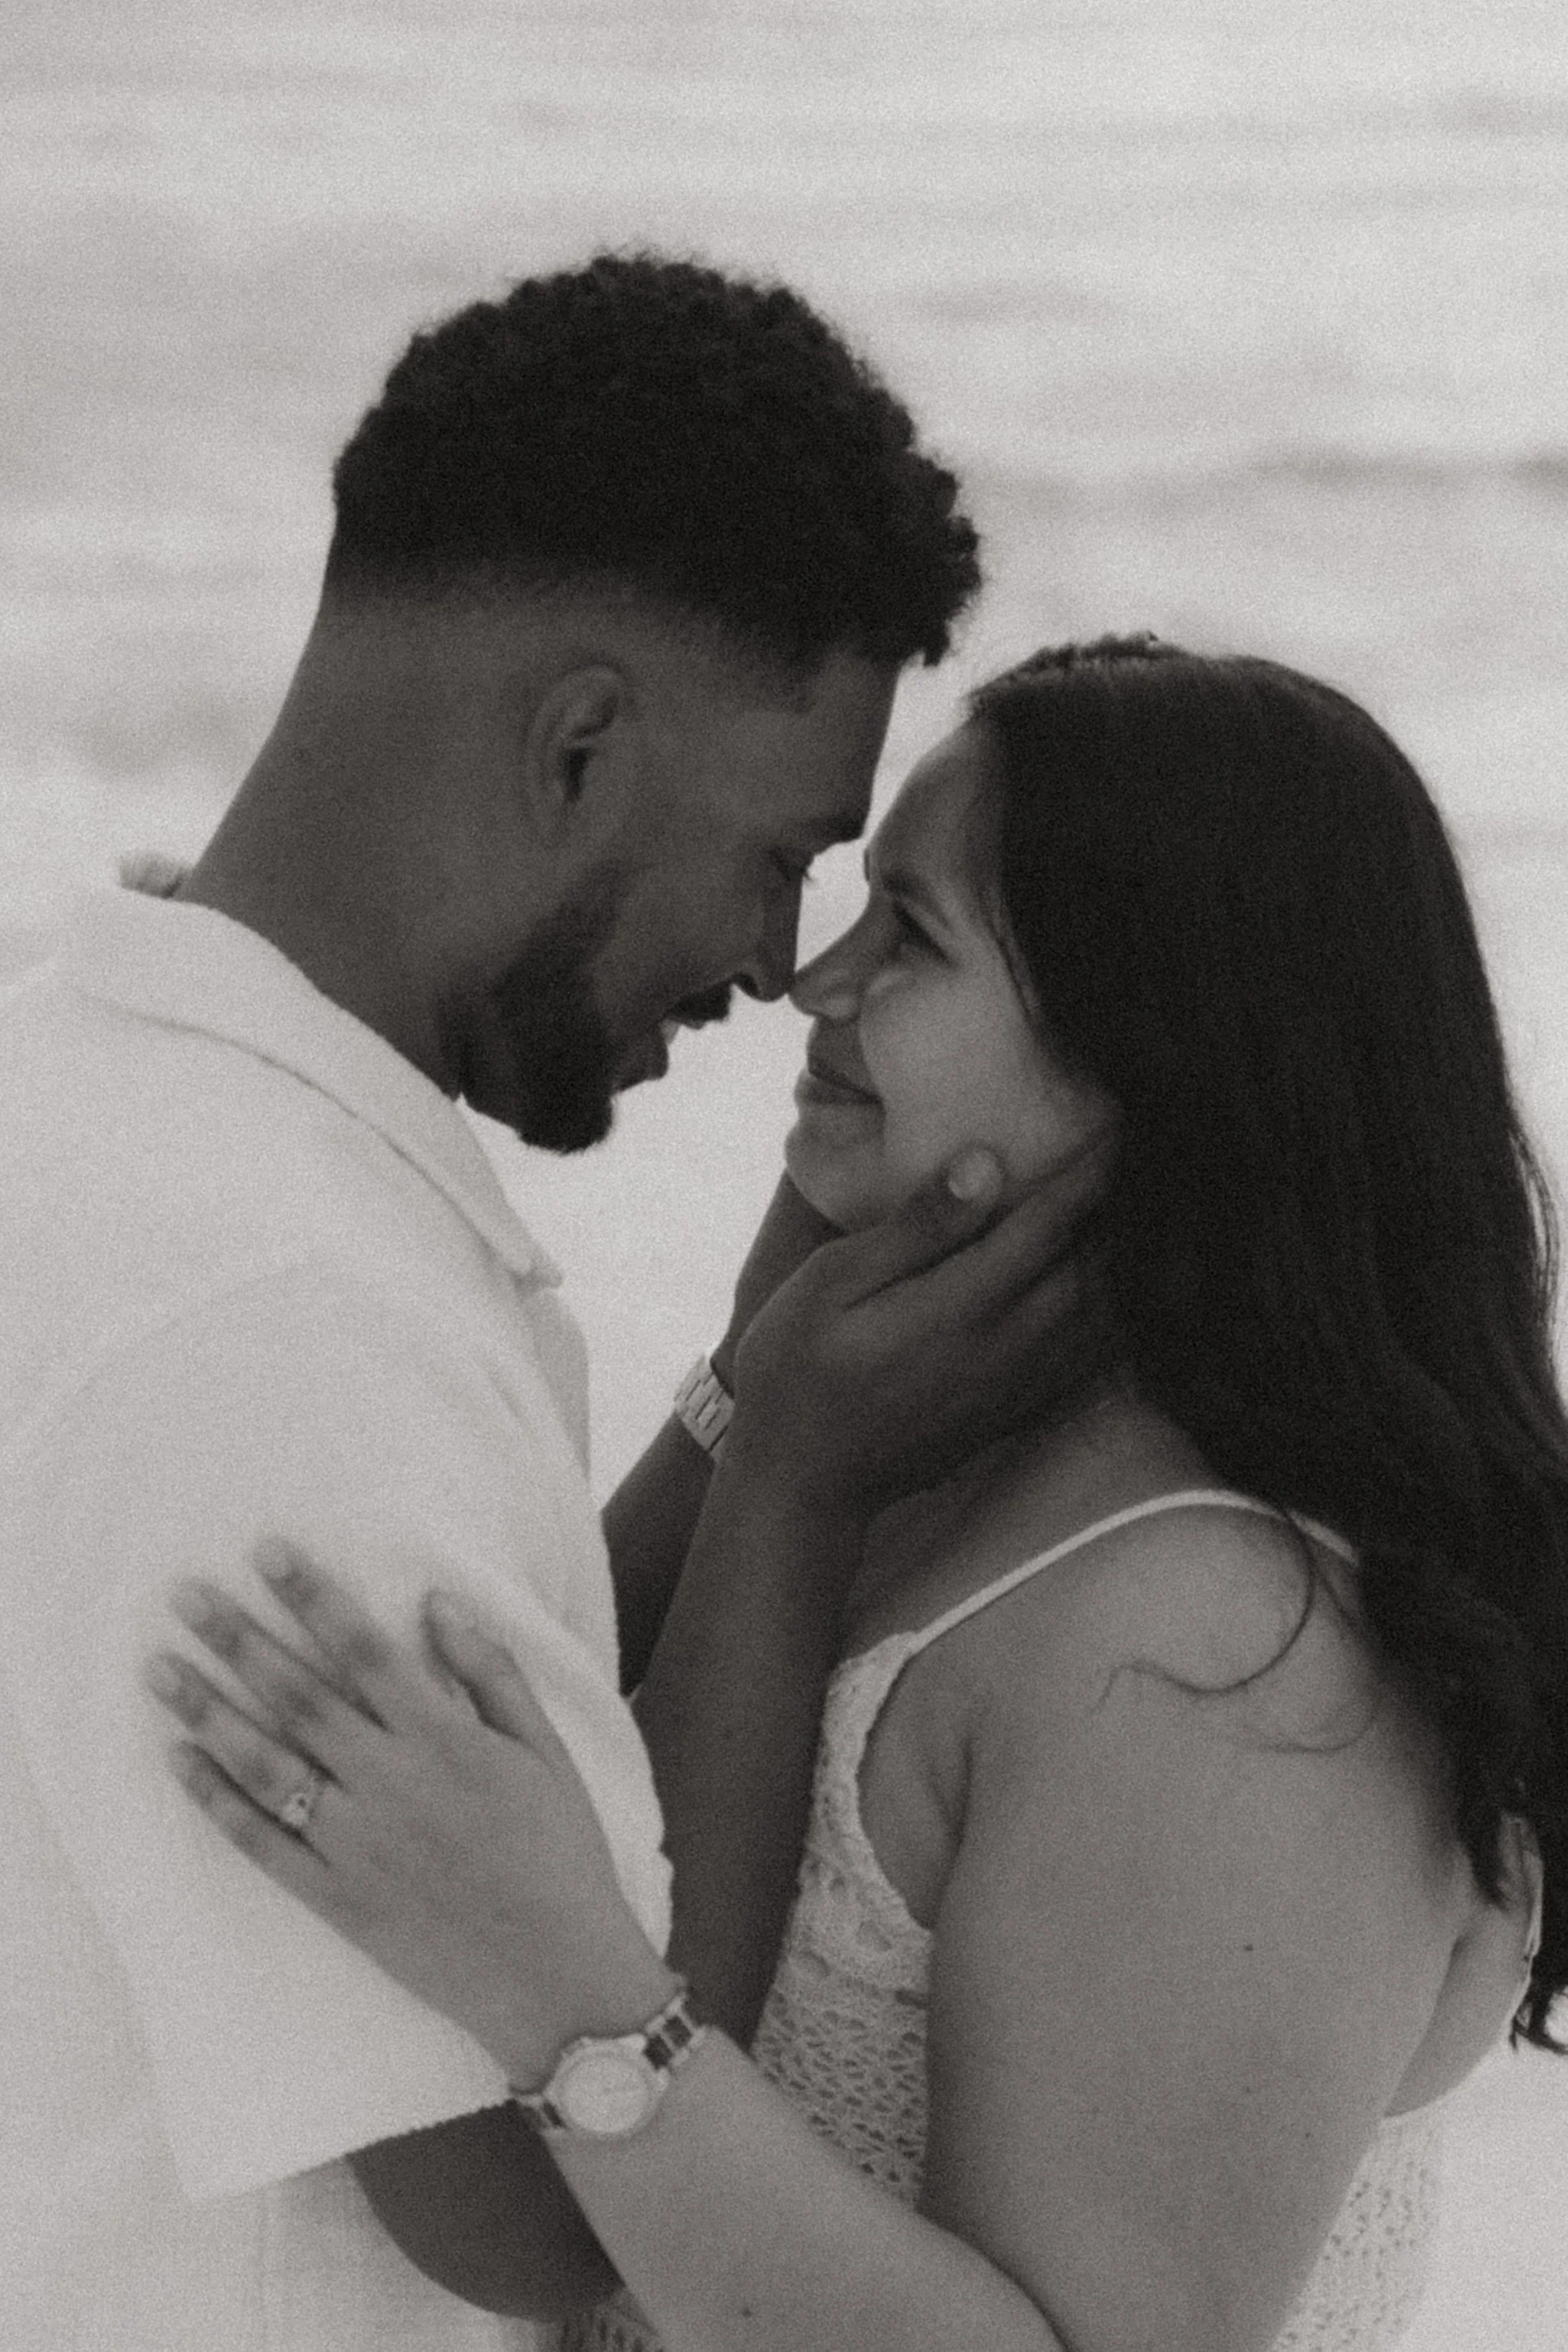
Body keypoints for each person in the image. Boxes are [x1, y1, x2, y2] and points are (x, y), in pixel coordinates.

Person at [148, 638, 1568, 2352]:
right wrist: (761, 1390)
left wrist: (576, 1997)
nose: (809, 977)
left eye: (911, 933)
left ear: (1149, 1051)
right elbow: (558, 1735)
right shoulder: (927, 1441)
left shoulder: (1224, 1653)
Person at [0, 253, 1105, 2350]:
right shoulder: (282, 1311)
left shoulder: (78, 1083)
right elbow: (533, 2204)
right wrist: (783, 1489)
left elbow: (519, 1738)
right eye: (786, 851)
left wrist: (730, 1417)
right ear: (583, 743)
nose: (785, 961)